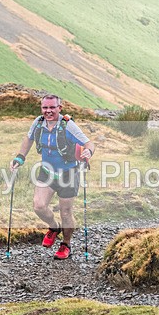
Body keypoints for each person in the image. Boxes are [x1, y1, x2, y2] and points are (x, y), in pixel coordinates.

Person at [10, 94, 95, 259]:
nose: (48, 111)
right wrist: (20, 157)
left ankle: (66, 244)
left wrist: (88, 151)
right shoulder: (38, 123)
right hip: (47, 172)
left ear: (59, 108)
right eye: (45, 108)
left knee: (66, 212)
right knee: (39, 206)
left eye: (52, 108)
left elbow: (89, 142)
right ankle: (54, 228)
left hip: (68, 175)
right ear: (41, 108)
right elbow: (28, 140)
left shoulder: (68, 126)